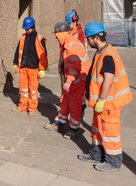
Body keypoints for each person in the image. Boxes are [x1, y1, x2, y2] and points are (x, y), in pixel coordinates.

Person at [77, 22, 132, 172]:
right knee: (97, 129)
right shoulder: (101, 52)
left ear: (95, 37)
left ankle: (113, 162)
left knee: (109, 131)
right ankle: (96, 153)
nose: (87, 42)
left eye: (88, 38)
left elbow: (108, 79)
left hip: (108, 103)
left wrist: (101, 100)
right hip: (100, 103)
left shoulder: (107, 55)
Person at [44, 22, 90, 138]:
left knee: (75, 106)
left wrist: (69, 81)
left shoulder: (72, 44)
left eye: (56, 35)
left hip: (76, 82)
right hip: (70, 82)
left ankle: (74, 129)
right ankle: (59, 123)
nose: (55, 37)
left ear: (62, 33)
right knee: (64, 102)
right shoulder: (66, 43)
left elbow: (75, 66)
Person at [12, 16, 48, 116]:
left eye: (28, 29)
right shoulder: (23, 37)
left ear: (33, 26)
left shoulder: (39, 38)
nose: (27, 30)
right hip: (23, 67)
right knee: (23, 89)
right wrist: (15, 63)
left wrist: (42, 69)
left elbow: (43, 55)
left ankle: (32, 108)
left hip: (34, 68)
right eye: (25, 29)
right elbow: (17, 51)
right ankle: (22, 106)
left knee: (32, 89)